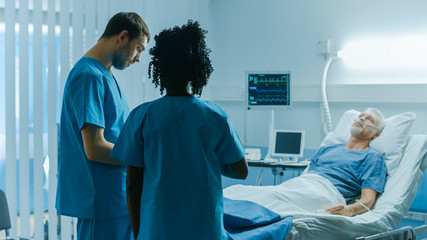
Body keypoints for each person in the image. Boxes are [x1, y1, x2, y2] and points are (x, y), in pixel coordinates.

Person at [110, 20, 248, 240]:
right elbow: (241, 171)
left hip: (157, 231)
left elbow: (133, 183)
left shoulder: (142, 116)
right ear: (197, 70)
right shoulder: (215, 116)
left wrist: (138, 234)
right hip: (205, 231)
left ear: (159, 68)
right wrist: (205, 160)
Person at [55, 12, 150, 240]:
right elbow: (95, 147)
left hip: (116, 199)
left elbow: (117, 136)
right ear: (123, 37)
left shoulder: (104, 74)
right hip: (101, 202)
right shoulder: (88, 76)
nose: (138, 58)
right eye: (139, 48)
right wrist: (143, 156)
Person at [224, 107, 387, 217]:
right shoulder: (327, 149)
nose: (363, 118)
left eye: (369, 119)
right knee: (237, 191)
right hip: (303, 185)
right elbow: (306, 180)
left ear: (376, 134)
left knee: (270, 197)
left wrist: (348, 210)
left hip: (328, 192)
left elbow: (368, 200)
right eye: (361, 116)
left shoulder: (372, 158)